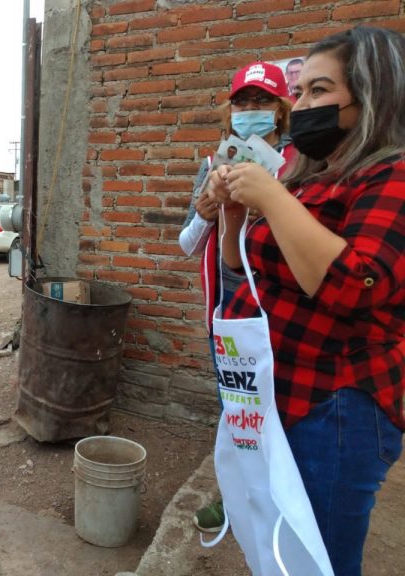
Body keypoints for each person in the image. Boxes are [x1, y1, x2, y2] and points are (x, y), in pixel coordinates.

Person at [208, 26, 405, 575]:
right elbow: (242, 268)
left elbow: (356, 285)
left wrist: (270, 196)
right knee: (279, 545)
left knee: (320, 558)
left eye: (319, 91)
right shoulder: (312, 177)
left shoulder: (391, 174)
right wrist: (233, 214)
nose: (300, 107)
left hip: (336, 403)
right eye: (300, 92)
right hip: (277, 392)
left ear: (372, 95)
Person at [178, 60, 294, 533]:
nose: (251, 109)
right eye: (242, 102)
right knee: (239, 412)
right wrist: (205, 213)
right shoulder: (213, 165)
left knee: (285, 411)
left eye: (262, 101)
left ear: (280, 110)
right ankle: (236, 500)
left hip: (283, 308)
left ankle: (286, 505)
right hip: (228, 311)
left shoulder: (301, 162)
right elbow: (186, 245)